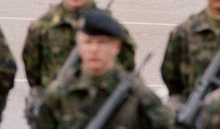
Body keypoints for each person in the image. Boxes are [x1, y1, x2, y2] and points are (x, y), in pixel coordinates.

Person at [22, 0, 136, 117]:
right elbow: (34, 75)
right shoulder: (42, 27)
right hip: (57, 112)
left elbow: (126, 68)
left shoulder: (112, 29)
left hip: (99, 112)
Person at [37, 9, 173, 128]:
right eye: (88, 42)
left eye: (102, 43)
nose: (94, 49)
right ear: (79, 46)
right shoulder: (58, 94)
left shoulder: (140, 97)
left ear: (117, 47)